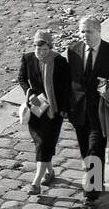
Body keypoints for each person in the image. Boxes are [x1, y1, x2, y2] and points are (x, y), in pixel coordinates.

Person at [67, 15, 109, 203]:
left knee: (95, 149)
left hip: (101, 112)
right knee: (86, 150)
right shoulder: (73, 50)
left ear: (98, 31)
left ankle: (92, 192)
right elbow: (68, 81)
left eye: (88, 31)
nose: (84, 35)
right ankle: (97, 182)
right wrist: (65, 107)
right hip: (78, 111)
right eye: (82, 31)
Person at [17, 29, 72, 195]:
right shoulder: (27, 59)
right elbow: (22, 78)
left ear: (51, 48)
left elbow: (66, 88)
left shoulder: (60, 62)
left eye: (45, 50)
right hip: (35, 108)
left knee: (44, 143)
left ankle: (36, 183)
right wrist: (30, 93)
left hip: (54, 111)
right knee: (40, 143)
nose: (40, 53)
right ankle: (49, 172)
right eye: (38, 49)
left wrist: (64, 109)